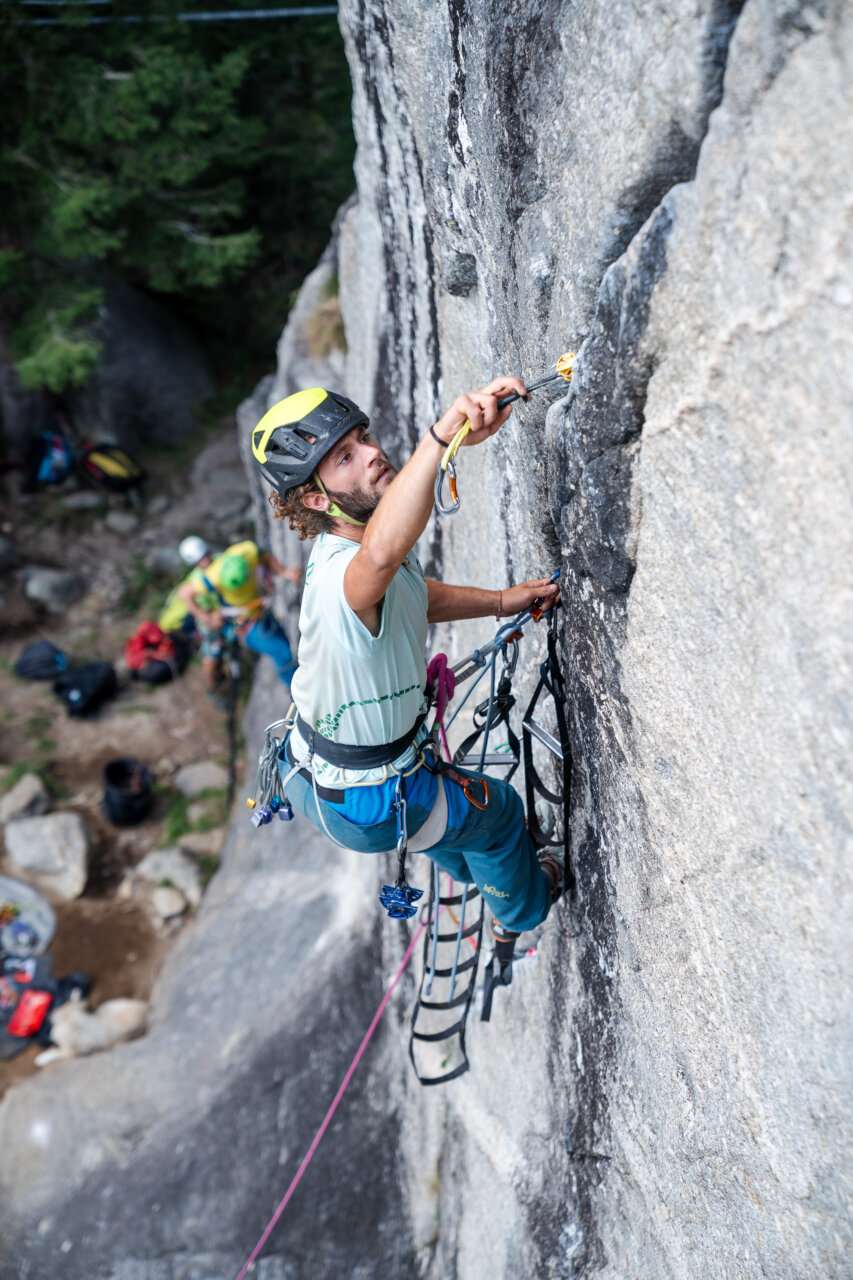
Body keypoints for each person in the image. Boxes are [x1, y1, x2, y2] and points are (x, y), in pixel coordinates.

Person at [249, 382, 564, 944]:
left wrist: (497, 601)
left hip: (325, 774)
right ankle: (518, 914)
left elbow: (412, 592)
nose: (373, 453)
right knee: (500, 817)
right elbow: (384, 556)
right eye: (345, 457)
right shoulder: (355, 569)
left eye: (363, 438)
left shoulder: (354, 555)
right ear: (318, 500)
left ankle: (485, 873)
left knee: (454, 823)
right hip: (369, 797)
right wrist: (441, 439)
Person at [177, 539, 301, 701]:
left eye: (205, 556)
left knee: (285, 648)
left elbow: (263, 556)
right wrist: (207, 618)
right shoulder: (211, 577)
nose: (204, 561)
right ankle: (297, 693)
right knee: (282, 651)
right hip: (243, 623)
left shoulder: (245, 552)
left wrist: (284, 573)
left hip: (260, 612)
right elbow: (184, 594)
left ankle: (298, 687)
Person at [157, 536, 214, 636]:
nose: (205, 561)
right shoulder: (195, 578)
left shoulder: (220, 560)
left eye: (205, 556)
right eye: (200, 560)